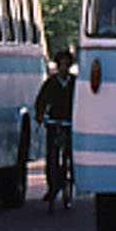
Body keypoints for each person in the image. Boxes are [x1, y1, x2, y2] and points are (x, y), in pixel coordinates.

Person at [34, 48, 76, 209]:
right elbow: (42, 100)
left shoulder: (75, 83)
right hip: (54, 121)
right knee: (51, 154)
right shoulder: (51, 83)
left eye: (66, 65)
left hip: (69, 122)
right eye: (61, 65)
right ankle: (52, 184)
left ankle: (69, 179)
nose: (63, 69)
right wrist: (40, 114)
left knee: (68, 153)